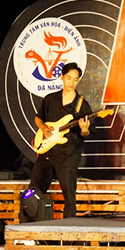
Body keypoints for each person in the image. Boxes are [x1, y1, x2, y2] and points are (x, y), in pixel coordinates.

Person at [27, 62, 92, 219]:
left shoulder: (82, 105)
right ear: (62, 77)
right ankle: (26, 225)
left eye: (75, 79)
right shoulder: (50, 99)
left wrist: (84, 130)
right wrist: (43, 128)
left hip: (69, 154)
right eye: (68, 78)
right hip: (47, 152)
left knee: (69, 195)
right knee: (31, 192)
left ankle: (68, 229)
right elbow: (38, 118)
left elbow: (87, 132)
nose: (71, 82)